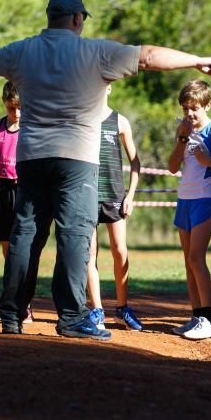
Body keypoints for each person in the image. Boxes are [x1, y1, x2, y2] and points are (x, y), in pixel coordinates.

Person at [0, 0, 211, 338]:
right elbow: (149, 56)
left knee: (24, 234)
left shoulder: (22, 51)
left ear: (49, 16)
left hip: (31, 157)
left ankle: (11, 315)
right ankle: (70, 318)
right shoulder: (94, 51)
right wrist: (196, 60)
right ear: (78, 19)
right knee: (74, 235)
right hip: (77, 161)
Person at [168, 79, 211, 340]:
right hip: (185, 198)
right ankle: (196, 316)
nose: (189, 113)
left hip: (205, 198)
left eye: (195, 108)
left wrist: (208, 161)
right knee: (188, 263)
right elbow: (171, 166)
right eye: (185, 108)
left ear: (207, 105)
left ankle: (210, 320)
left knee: (196, 258)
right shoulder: (183, 129)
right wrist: (181, 137)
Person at [85, 85, 143, 332]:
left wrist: (130, 195)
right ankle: (96, 310)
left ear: (108, 88)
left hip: (114, 196)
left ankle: (122, 307)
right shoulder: (83, 118)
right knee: (89, 255)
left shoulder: (119, 121)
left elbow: (135, 162)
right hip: (87, 194)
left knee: (120, 251)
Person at [0, 82, 38, 324]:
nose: (16, 113)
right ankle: (12, 301)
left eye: (19, 108)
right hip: (2, 189)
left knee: (22, 248)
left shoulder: (30, 126)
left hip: (23, 189)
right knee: (7, 249)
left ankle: (24, 305)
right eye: (11, 107)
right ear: (4, 103)